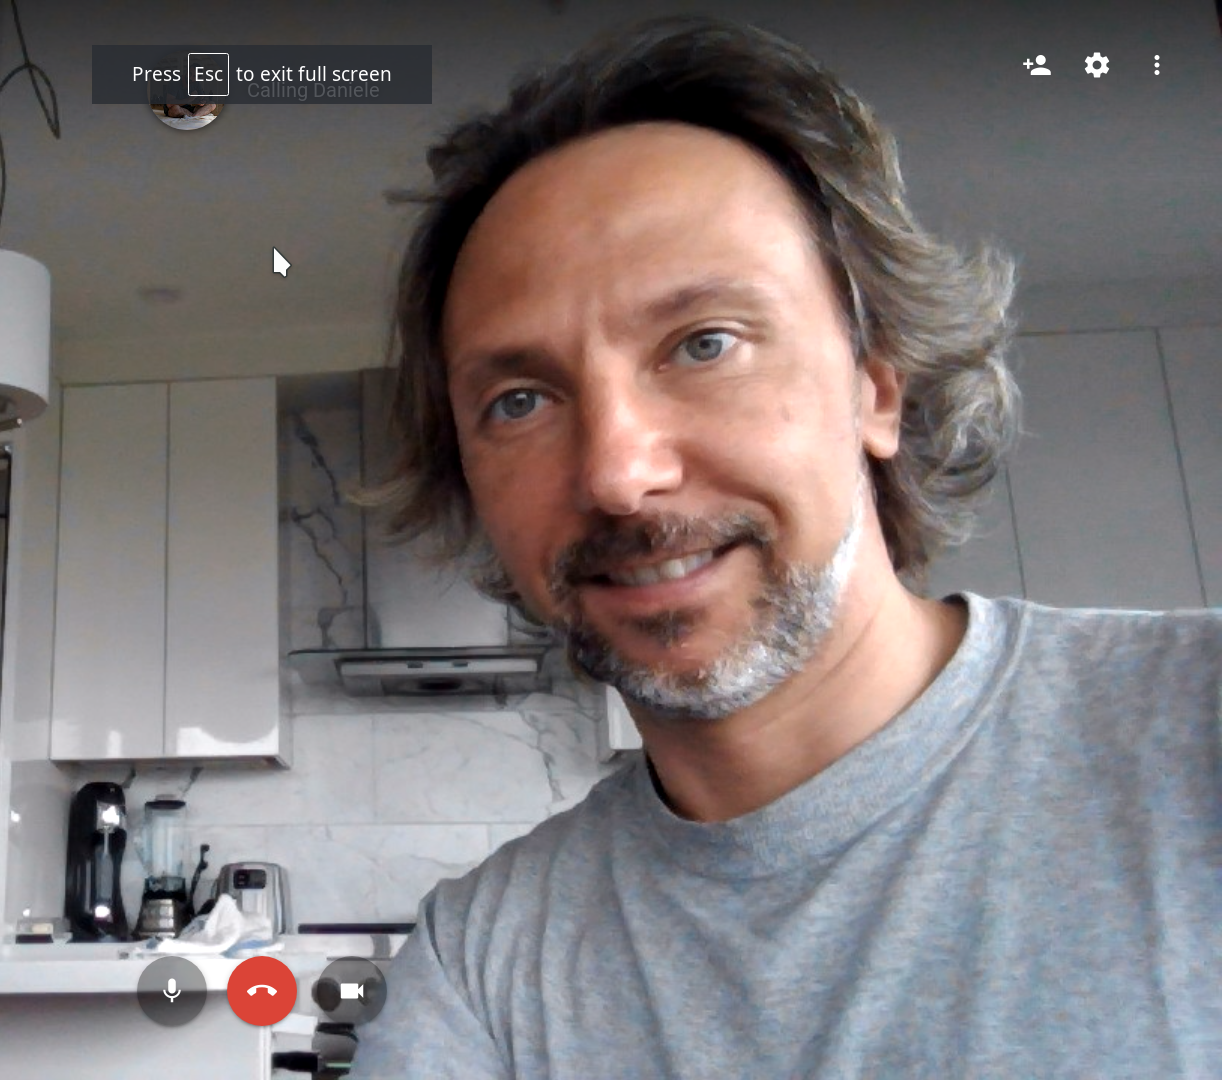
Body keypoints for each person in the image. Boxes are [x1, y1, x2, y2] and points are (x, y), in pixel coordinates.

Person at [351, 17, 1219, 1079]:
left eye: (704, 344)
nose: (617, 473)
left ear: (877, 386)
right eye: (520, 400)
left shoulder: (1194, 730)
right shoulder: (480, 965)